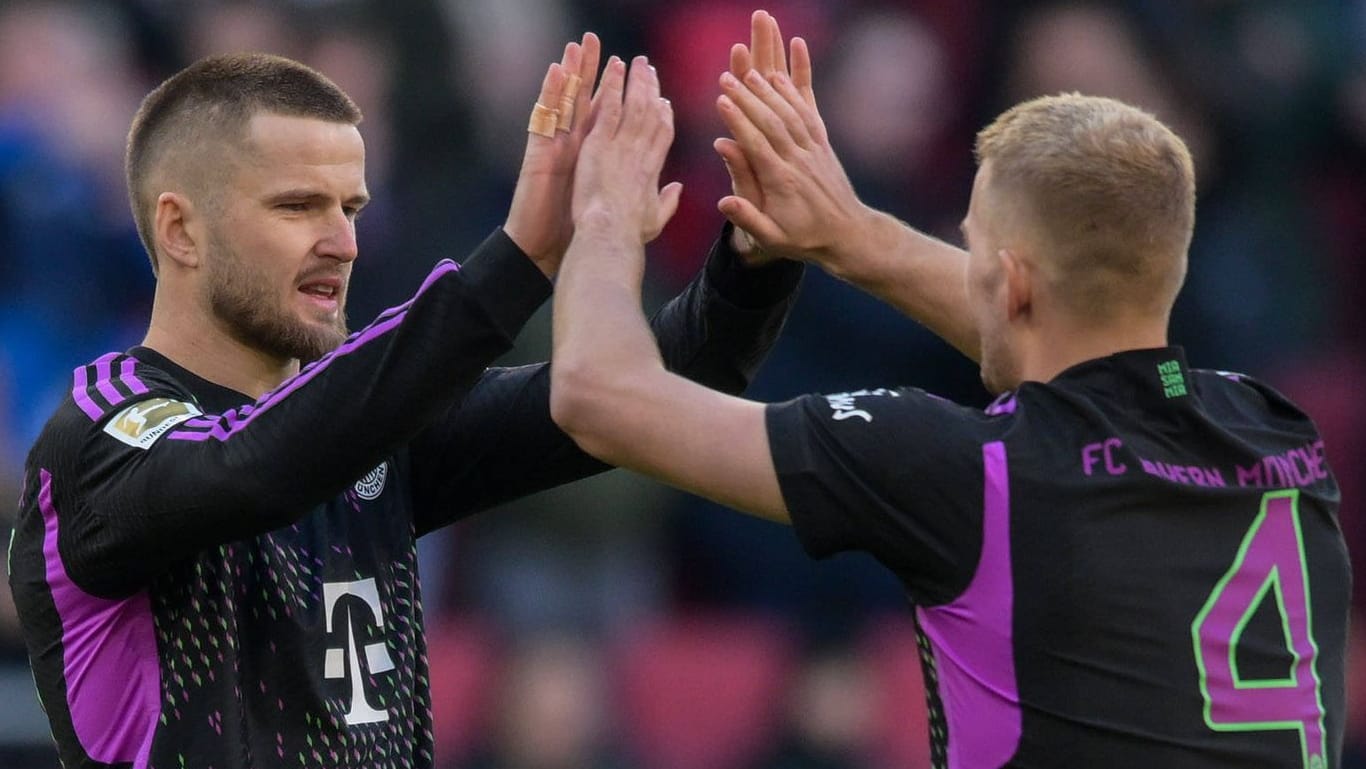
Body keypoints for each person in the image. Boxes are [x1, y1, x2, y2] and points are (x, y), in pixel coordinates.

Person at [550, 11, 1350, 769]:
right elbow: (1070, 339)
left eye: (970, 249)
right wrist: (850, 234)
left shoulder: (970, 470)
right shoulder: (1279, 434)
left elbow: (598, 394)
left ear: (1009, 281)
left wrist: (603, 217)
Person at [6, 40, 803, 769]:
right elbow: (254, 469)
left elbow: (653, 391)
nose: (343, 242)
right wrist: (518, 260)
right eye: (296, 206)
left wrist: (755, 255)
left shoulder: (368, 436)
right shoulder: (101, 438)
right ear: (181, 230)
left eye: (350, 208)